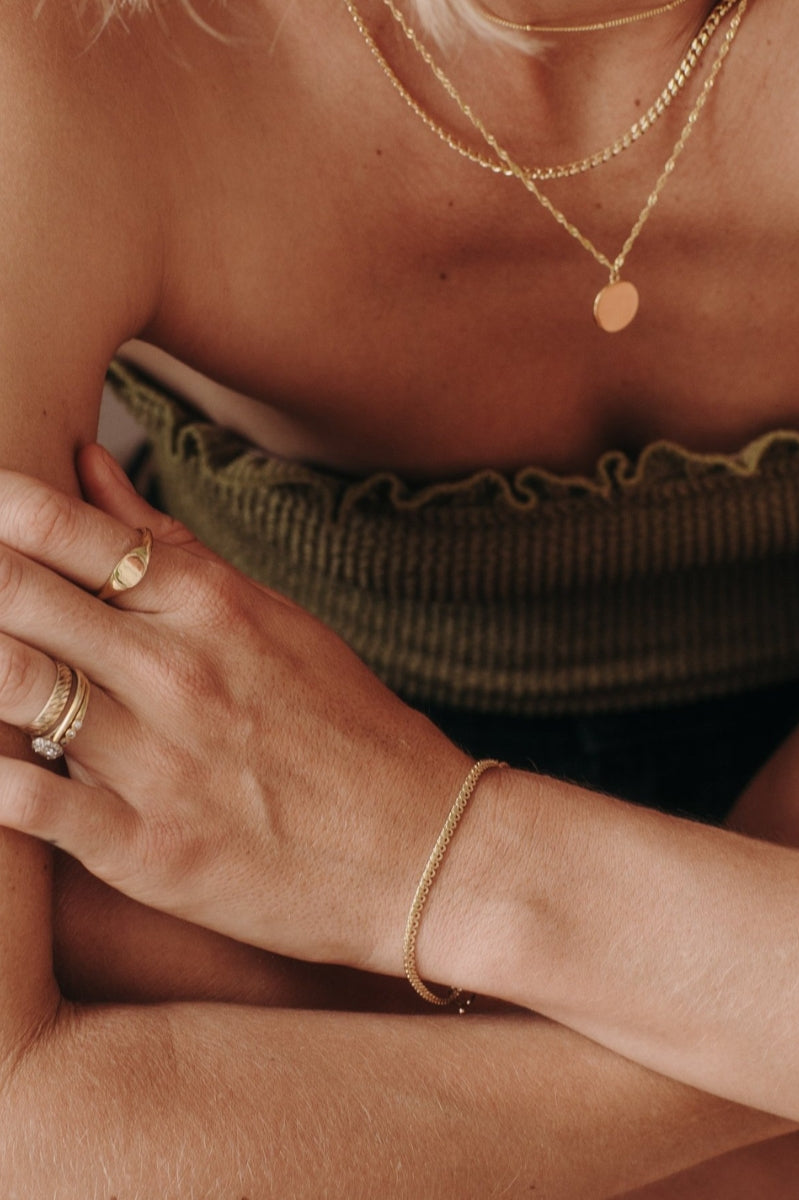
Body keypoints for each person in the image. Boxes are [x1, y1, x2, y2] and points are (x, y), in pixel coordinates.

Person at [0, 0, 796, 1193]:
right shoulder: (59, 49)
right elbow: (20, 1118)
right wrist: (740, 998)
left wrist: (436, 854)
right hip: (217, 820)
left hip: (276, 934)